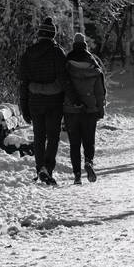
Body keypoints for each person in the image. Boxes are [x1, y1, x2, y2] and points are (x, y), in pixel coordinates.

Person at [17, 16, 78, 187]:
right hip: (54, 102)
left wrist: (24, 106)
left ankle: (39, 168)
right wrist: (74, 99)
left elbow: (23, 82)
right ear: (52, 35)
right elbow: (64, 79)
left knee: (38, 136)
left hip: (34, 102)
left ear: (39, 35)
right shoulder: (57, 53)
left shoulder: (28, 54)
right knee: (52, 136)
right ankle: (47, 169)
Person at [63, 32, 106, 185]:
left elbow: (63, 87)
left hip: (71, 109)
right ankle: (89, 162)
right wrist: (100, 108)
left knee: (74, 143)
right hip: (90, 109)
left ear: (74, 46)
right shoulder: (93, 63)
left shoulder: (67, 64)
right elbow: (99, 91)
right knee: (89, 141)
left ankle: (76, 175)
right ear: (85, 46)